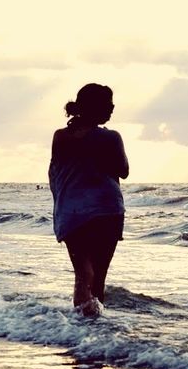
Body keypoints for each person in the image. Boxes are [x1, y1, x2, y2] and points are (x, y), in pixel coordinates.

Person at [49, 83, 129, 317]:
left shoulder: (60, 137)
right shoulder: (111, 138)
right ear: (97, 106)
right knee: (98, 277)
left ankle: (80, 329)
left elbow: (57, 171)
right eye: (108, 103)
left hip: (72, 212)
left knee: (83, 275)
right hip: (107, 210)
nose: (113, 107)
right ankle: (94, 334)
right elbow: (123, 170)